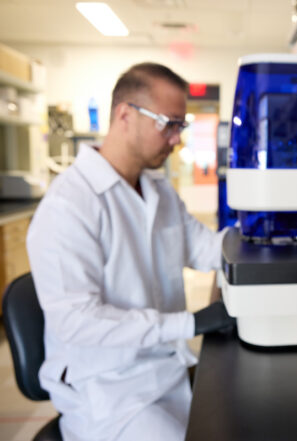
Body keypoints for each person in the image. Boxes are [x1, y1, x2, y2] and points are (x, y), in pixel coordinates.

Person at [26, 62, 234, 441]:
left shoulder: (159, 191)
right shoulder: (69, 205)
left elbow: (206, 249)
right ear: (125, 114)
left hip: (166, 372)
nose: (177, 139)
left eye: (180, 125)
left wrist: (262, 232)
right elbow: (78, 320)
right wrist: (189, 323)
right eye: (168, 123)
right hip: (107, 393)